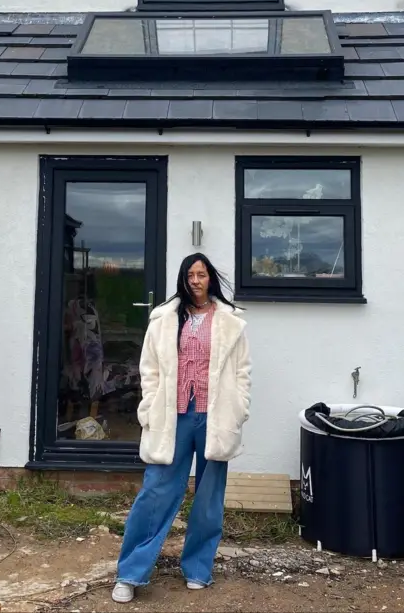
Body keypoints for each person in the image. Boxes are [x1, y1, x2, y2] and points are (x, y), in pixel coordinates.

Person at [112, 253, 251, 603]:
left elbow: (242, 372)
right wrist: (148, 407)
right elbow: (150, 369)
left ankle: (198, 568)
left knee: (208, 499)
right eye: (190, 275)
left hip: (215, 418)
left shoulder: (231, 321)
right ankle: (130, 572)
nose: (196, 281)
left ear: (210, 279)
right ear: (183, 279)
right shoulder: (164, 318)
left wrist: (239, 409)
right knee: (156, 492)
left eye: (202, 275)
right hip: (173, 417)